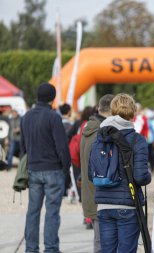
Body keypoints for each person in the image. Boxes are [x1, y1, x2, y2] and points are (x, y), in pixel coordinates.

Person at [92, 93, 151, 252]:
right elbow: (140, 176)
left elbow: (93, 172)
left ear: (112, 111)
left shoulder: (101, 138)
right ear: (133, 113)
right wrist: (148, 176)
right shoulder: (137, 140)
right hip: (128, 204)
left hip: (104, 204)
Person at [20, 83, 71, 253]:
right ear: (52, 98)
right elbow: (62, 147)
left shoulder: (25, 117)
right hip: (52, 169)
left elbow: (23, 148)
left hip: (33, 169)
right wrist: (66, 168)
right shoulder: (53, 117)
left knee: (32, 211)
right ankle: (51, 248)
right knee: (52, 212)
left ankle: (31, 248)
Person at [80, 94, 114, 253]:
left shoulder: (88, 128)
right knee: (103, 243)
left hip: (92, 194)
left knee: (100, 240)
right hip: (102, 195)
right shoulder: (101, 132)